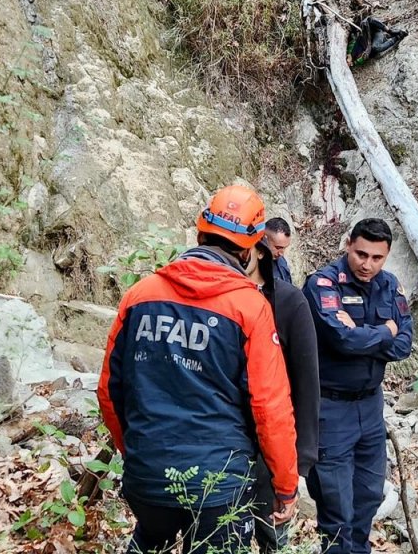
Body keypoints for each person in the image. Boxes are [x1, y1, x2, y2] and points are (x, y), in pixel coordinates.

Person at [99, 185, 299, 554]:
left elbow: (111, 391)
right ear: (249, 248)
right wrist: (285, 484)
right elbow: (270, 408)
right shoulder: (249, 308)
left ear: (199, 232)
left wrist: (136, 451)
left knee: (148, 540)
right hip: (217, 486)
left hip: (147, 475)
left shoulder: (140, 295)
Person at [302, 218, 413, 554]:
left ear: (387, 255)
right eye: (361, 254)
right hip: (331, 408)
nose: (367, 265)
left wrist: (371, 335)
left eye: (377, 258)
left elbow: (404, 344)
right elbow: (343, 340)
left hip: (370, 405)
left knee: (367, 498)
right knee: (337, 508)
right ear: (348, 244)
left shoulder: (391, 286)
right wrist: (385, 330)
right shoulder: (323, 284)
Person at [246, 238, 320, 553]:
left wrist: (299, 460)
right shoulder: (215, 300)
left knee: (272, 536)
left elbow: (307, 384)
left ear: (259, 251)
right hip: (221, 437)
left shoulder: (289, 302)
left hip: (272, 440)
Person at [264, 217, 294, 284]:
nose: (281, 253)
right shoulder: (252, 266)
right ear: (264, 239)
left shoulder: (281, 261)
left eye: (284, 248)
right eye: (278, 248)